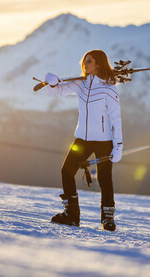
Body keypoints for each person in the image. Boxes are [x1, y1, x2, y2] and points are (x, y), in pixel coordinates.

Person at [45, 49, 122, 231]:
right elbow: (57, 93)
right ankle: (72, 215)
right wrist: (52, 82)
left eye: (89, 61)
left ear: (99, 64)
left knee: (104, 179)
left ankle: (108, 219)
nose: (85, 63)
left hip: (104, 140)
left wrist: (118, 145)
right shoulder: (80, 84)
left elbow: (116, 118)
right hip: (83, 139)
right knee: (67, 172)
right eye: (85, 61)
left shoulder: (109, 89)